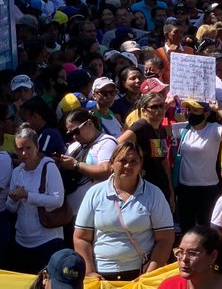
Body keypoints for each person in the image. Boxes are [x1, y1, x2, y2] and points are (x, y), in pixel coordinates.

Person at [73, 142, 173, 281]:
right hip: (101, 275)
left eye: (133, 161)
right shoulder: (94, 193)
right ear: (112, 163)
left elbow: (165, 238)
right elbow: (81, 237)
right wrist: (89, 272)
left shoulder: (154, 194)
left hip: (141, 273)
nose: (128, 166)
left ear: (141, 164)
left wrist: (151, 272)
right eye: (123, 161)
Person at [7, 125, 66, 275]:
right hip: (22, 241)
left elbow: (57, 200)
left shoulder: (49, 167)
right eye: (20, 149)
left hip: (48, 240)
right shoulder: (17, 172)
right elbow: (11, 208)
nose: (24, 153)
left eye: (28, 148)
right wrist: (14, 199)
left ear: (37, 147)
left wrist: (28, 196)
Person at [171, 101, 222, 232]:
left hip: (208, 189)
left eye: (195, 110)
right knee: (186, 228)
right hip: (185, 188)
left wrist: (219, 110)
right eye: (189, 110)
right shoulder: (183, 128)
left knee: (206, 229)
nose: (190, 113)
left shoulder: (214, 129)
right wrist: (165, 106)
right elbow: (155, 129)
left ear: (206, 114)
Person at [58, 109, 117, 215]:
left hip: (97, 210)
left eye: (76, 131)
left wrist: (76, 165)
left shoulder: (107, 142)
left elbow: (106, 171)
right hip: (71, 211)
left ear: (89, 123)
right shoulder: (73, 146)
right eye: (70, 134)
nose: (75, 137)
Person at [158, 225, 222, 289]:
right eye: (180, 252)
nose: (184, 259)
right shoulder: (169, 286)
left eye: (192, 253)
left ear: (213, 256)